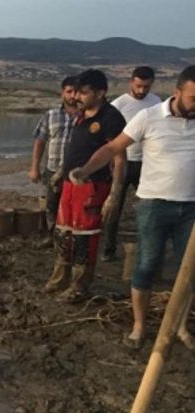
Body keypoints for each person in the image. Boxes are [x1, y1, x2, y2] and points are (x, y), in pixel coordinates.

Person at [69, 65, 195, 348]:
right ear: (177, 92)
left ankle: (182, 327)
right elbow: (113, 148)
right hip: (154, 205)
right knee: (147, 264)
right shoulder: (148, 117)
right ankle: (139, 326)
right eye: (193, 99)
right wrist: (86, 169)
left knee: (190, 271)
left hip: (192, 208)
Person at [43, 69, 127, 302]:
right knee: (63, 232)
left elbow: (119, 157)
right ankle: (60, 278)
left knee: (84, 237)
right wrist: (61, 171)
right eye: (76, 92)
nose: (77, 97)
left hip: (93, 186)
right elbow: (76, 147)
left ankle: (80, 286)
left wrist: (115, 194)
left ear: (101, 93)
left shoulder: (111, 118)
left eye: (84, 93)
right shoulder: (81, 115)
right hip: (70, 185)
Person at [102, 66, 163, 261]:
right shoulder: (118, 105)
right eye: (138, 86)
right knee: (115, 205)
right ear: (131, 82)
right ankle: (109, 249)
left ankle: (149, 249)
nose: (142, 91)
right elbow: (109, 138)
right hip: (123, 162)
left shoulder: (156, 102)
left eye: (146, 86)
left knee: (150, 206)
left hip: (146, 164)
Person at [29, 76, 79, 243]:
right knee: (52, 204)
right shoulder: (51, 115)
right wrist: (35, 167)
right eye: (69, 91)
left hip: (77, 171)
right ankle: (52, 236)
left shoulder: (86, 116)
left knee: (74, 206)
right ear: (62, 93)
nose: (73, 95)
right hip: (52, 168)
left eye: (76, 92)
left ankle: (70, 236)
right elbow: (40, 141)